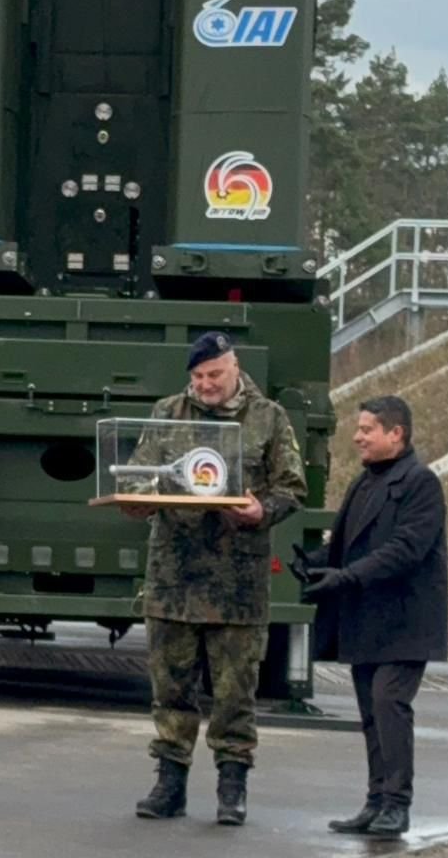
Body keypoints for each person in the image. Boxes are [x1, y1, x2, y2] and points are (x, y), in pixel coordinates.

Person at [131, 331, 306, 827]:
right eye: (198, 377)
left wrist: (262, 509)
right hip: (174, 576)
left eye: (215, 375)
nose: (206, 385)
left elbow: (292, 487)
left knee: (235, 692)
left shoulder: (268, 417)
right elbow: (139, 473)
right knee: (170, 687)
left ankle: (233, 786)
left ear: (235, 369)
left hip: (237, 580)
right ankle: (170, 783)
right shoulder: (168, 413)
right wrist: (136, 497)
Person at [301, 395, 448, 841]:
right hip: (366, 618)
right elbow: (345, 546)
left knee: (389, 704)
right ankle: (375, 802)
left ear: (395, 433)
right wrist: (309, 563)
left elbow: (405, 550)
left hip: (406, 621)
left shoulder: (422, 483)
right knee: (370, 711)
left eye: (367, 428)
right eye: (359, 428)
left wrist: (345, 577)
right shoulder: (364, 483)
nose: (358, 436)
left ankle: (397, 806)